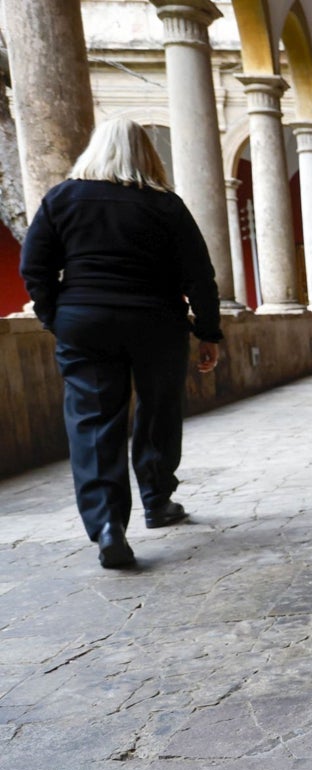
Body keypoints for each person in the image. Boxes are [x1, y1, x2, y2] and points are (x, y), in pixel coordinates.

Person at [20, 118, 222, 570]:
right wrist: (208, 331)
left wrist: (56, 316)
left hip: (84, 321)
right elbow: (199, 275)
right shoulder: (166, 205)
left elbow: (34, 267)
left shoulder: (62, 198)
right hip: (156, 322)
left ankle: (109, 526)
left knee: (93, 422)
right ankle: (156, 500)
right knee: (158, 410)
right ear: (147, 154)